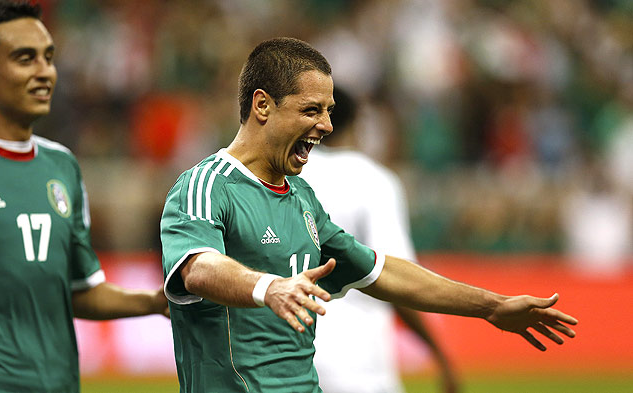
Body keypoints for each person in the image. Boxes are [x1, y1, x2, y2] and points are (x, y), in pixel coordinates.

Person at [160, 36, 578, 393]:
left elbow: (380, 271)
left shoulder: (302, 197)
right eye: (311, 110)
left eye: (329, 111)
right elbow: (199, 267)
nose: (325, 125)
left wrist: (490, 306)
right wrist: (269, 287)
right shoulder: (207, 185)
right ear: (263, 105)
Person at [0, 2, 168, 392]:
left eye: (49, 58)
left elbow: (80, 290)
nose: (45, 72)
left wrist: (156, 302)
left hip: (59, 383)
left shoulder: (62, 168)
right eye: (25, 59)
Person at [301, 87, 458, 393]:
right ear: (356, 123)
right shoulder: (373, 180)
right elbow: (397, 279)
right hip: (358, 364)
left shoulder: (284, 175)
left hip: (287, 359)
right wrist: (438, 353)